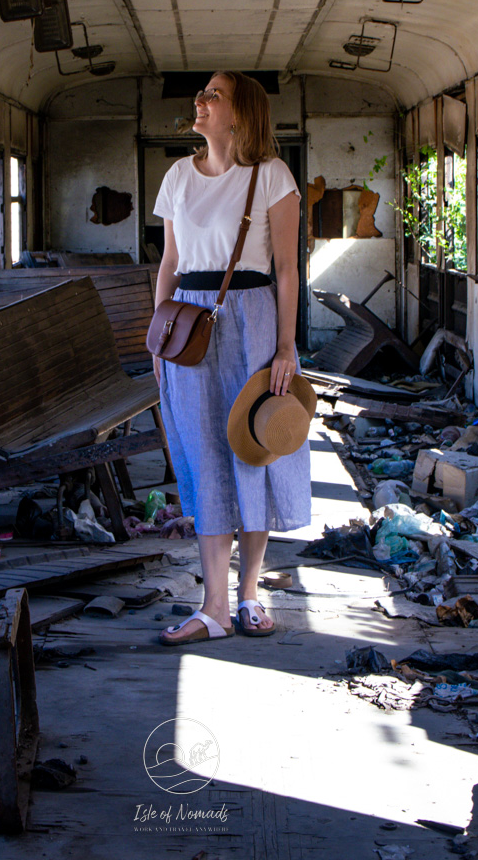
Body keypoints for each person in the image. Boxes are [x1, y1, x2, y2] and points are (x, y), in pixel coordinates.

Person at [152, 71, 312, 645]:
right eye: (201, 93)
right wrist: (158, 333)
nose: (200, 101)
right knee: (204, 453)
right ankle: (214, 607)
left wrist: (287, 346)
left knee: (254, 446)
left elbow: (288, 270)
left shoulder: (271, 175)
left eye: (213, 95)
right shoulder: (177, 175)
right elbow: (170, 263)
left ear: (240, 114)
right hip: (189, 324)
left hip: (253, 319)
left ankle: (249, 595)